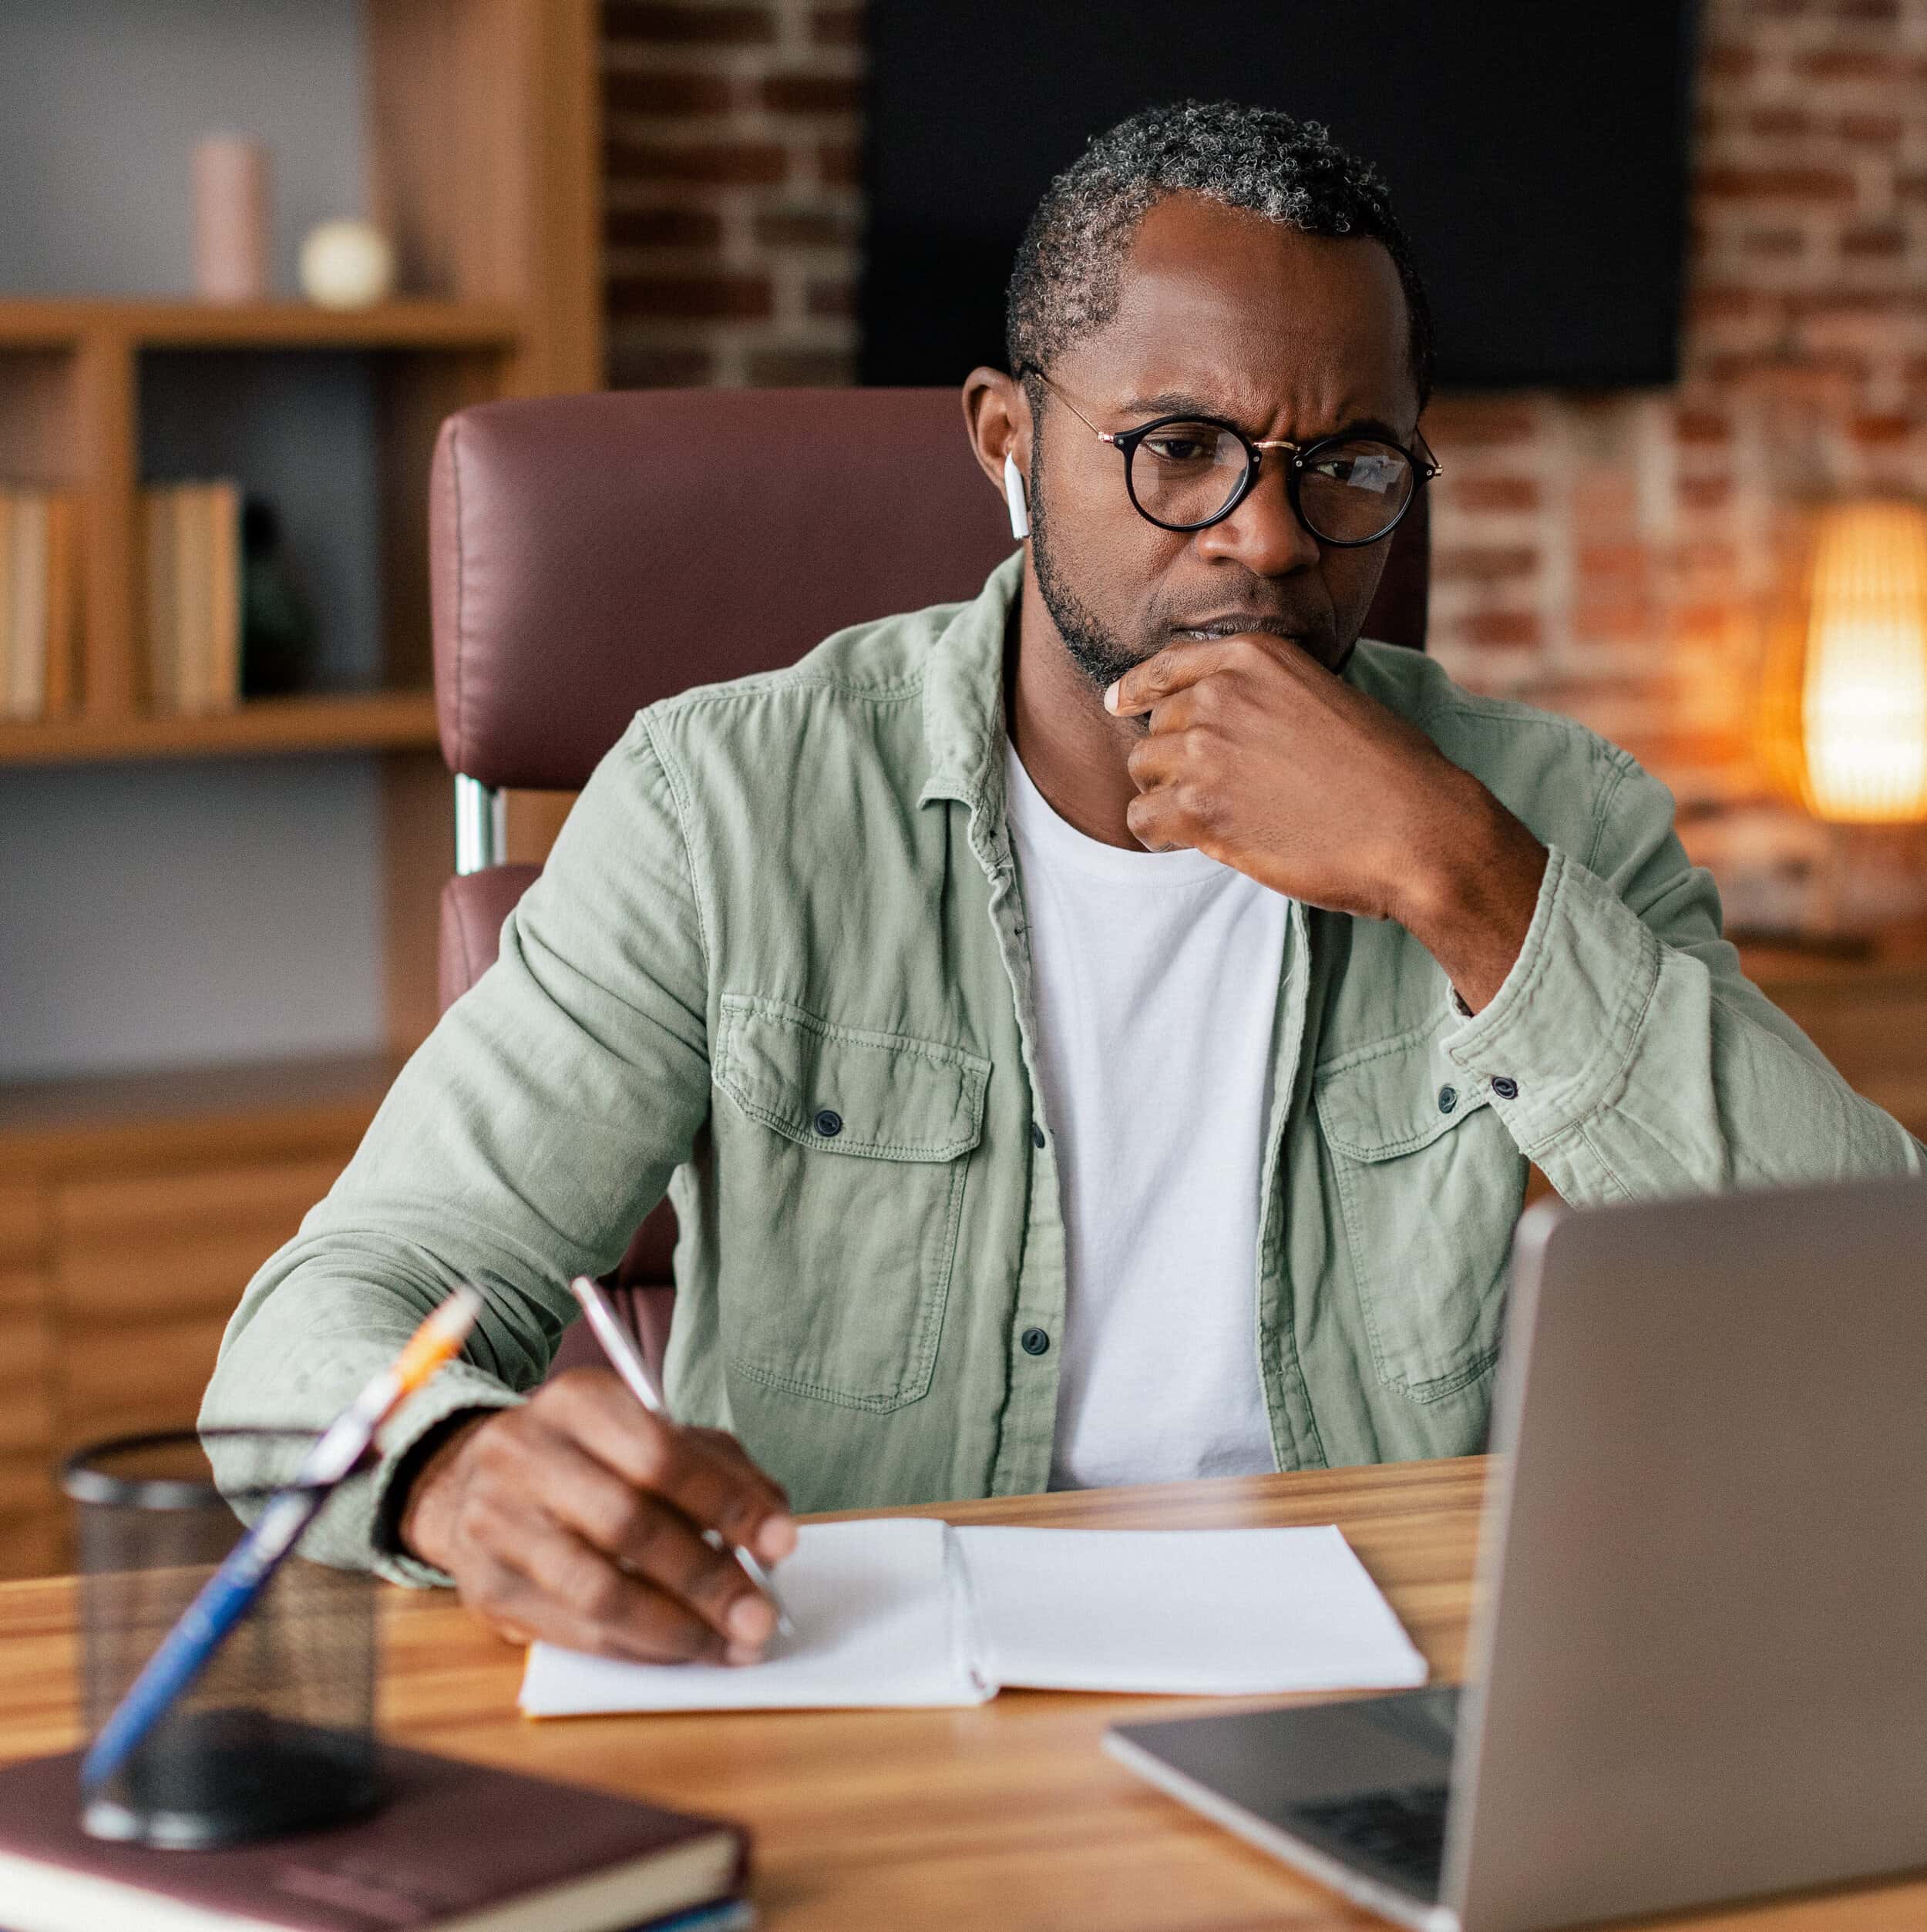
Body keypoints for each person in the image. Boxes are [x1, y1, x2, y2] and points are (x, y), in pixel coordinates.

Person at [203, 101, 1921, 1669]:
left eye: (1350, 468)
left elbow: (1870, 1316)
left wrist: (1462, 881)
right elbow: (328, 1315)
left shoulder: (1546, 811)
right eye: (1178, 447)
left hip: (1378, 1674)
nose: (1265, 538)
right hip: (869, 1676)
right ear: (1007, 441)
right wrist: (443, 1469)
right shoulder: (726, 803)